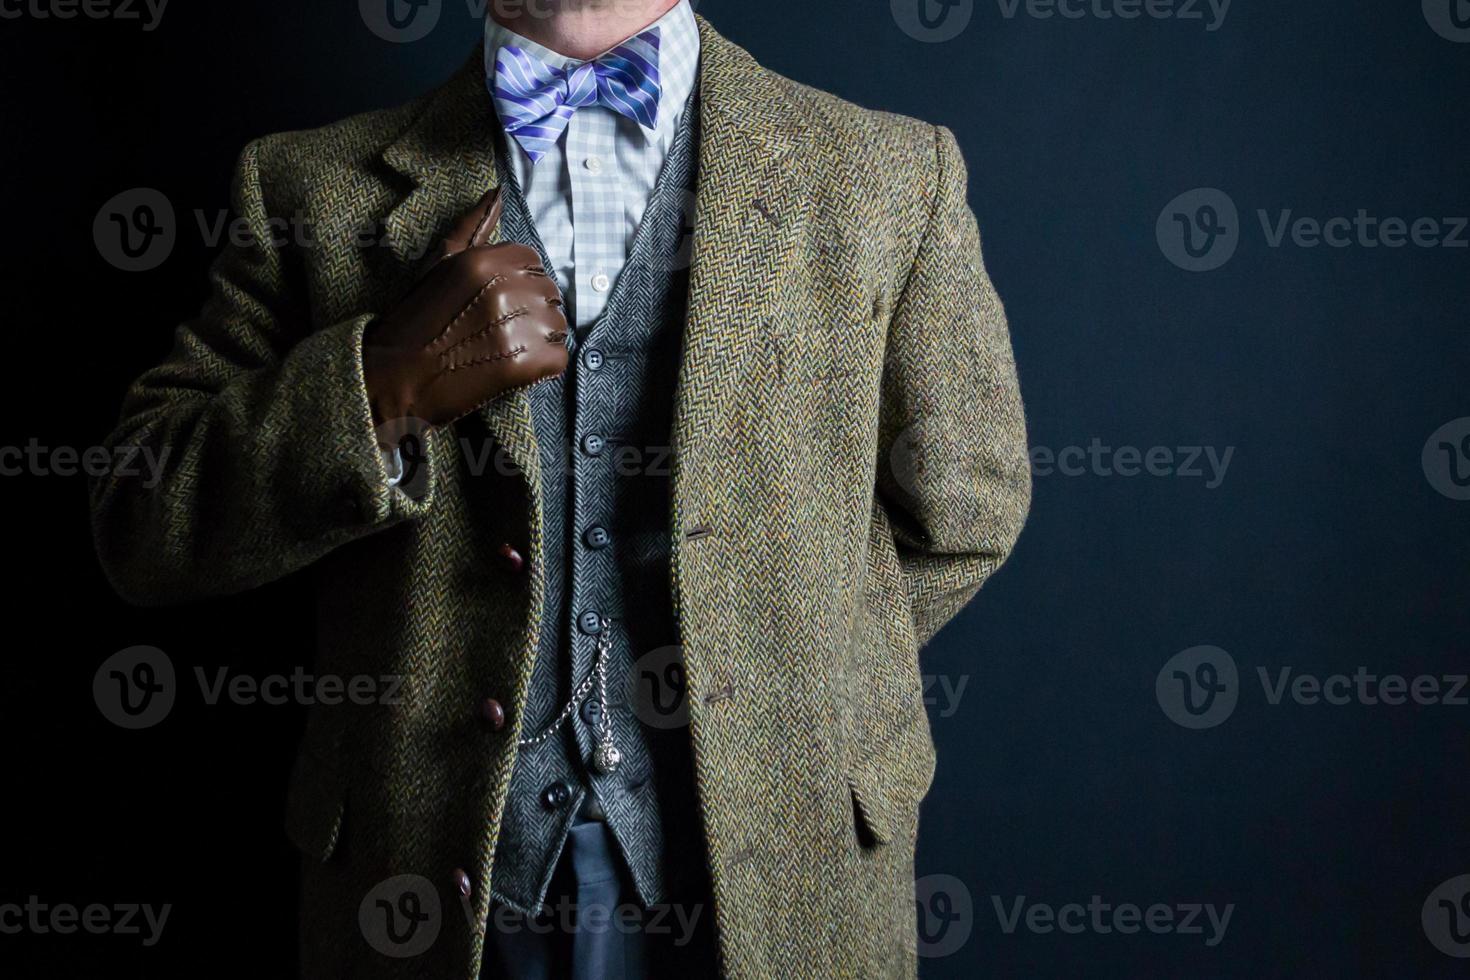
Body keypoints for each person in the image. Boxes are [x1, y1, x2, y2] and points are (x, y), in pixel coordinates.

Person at [89, 1, 1032, 977]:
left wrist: (777, 676)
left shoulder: (885, 174)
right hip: (430, 877)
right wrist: (381, 383)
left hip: (783, 873)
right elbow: (140, 519)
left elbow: (968, 505)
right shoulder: (305, 185)